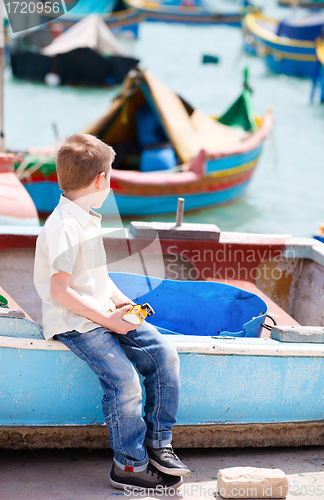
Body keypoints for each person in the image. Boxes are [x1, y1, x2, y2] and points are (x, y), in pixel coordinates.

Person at [33, 134, 190, 492]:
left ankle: (159, 443)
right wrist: (108, 321)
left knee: (165, 355)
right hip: (76, 322)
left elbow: (97, 276)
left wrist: (121, 302)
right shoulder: (63, 228)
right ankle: (129, 466)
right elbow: (60, 291)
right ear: (100, 180)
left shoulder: (86, 217)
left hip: (103, 312)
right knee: (125, 383)